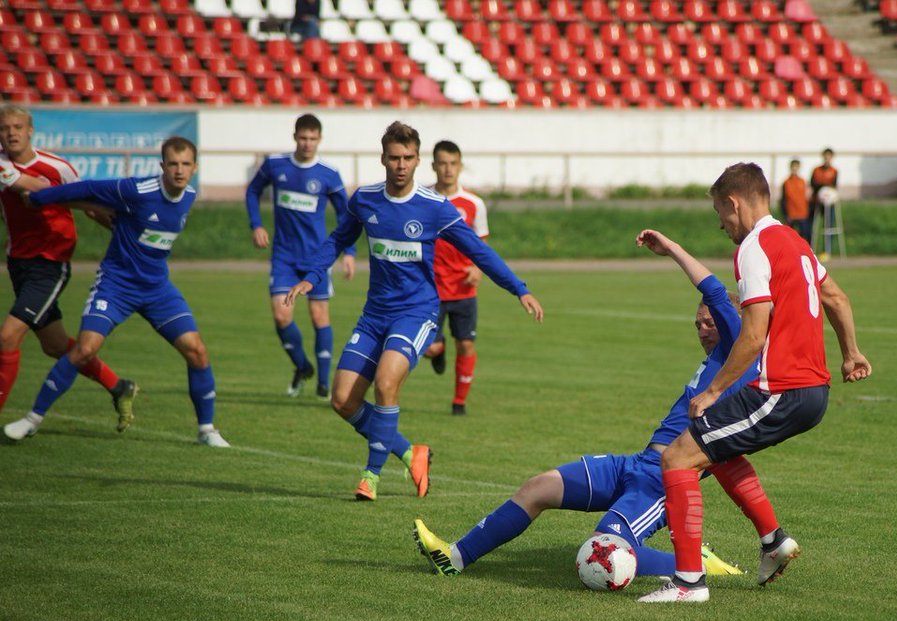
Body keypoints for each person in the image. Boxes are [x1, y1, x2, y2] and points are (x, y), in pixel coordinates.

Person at [412, 241, 775, 580]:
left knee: (602, 551)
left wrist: (673, 250)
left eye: (710, 322)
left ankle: (693, 563)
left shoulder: (736, 350)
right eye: (697, 323)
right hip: (636, 464)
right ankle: (454, 557)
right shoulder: (716, 361)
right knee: (538, 488)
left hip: (664, 482)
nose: (702, 329)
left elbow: (712, 289)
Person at [638, 162, 872, 604]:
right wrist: (851, 353)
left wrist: (711, 390)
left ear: (733, 202)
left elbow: (753, 333)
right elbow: (836, 297)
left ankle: (688, 583)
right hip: (813, 392)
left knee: (677, 457)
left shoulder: (754, 246)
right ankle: (773, 542)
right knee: (714, 449)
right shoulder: (795, 242)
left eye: (719, 213)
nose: (722, 224)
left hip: (782, 389)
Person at [283, 121, 543, 501]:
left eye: (408, 158)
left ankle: (370, 476)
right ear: (383, 159)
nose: (401, 165)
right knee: (342, 400)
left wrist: (518, 288)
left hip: (418, 312)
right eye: (394, 158)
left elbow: (479, 251)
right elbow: (338, 238)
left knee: (386, 384)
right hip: (374, 315)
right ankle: (409, 451)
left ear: (418, 160)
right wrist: (310, 275)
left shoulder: (435, 208)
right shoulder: (365, 200)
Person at [4, 137, 231, 447]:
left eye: (185, 164)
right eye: (173, 164)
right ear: (162, 166)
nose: (179, 170)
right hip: (117, 285)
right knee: (84, 349)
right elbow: (88, 189)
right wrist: (42, 198)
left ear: (195, 167)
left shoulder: (189, 196)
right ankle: (32, 420)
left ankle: (207, 430)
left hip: (157, 289)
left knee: (197, 351)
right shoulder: (137, 190)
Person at [0, 104, 137, 430]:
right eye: (5, 128)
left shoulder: (56, 166)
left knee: (7, 338)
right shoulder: (2, 164)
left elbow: (90, 206)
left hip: (50, 264)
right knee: (55, 345)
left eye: (18, 127)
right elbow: (33, 189)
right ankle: (120, 387)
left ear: (30, 130)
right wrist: (75, 198)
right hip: (18, 262)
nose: (12, 133)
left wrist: (124, 235)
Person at [246, 113, 355, 398]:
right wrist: (256, 224)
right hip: (284, 256)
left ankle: (323, 383)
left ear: (319, 139)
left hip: (317, 258)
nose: (307, 143)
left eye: (312, 139)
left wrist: (350, 252)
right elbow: (253, 190)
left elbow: (347, 215)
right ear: (295, 137)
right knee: (282, 316)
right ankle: (302, 365)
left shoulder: (328, 174)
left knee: (319, 316)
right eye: (303, 138)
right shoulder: (275, 165)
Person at [422, 140, 488, 415]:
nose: (448, 170)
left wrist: (477, 269)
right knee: (428, 348)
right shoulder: (422, 198)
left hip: (463, 288)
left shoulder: (474, 204)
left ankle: (459, 402)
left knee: (467, 343)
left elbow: (481, 245)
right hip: (430, 288)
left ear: (460, 166)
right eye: (442, 163)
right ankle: (438, 349)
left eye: (453, 164)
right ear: (433, 165)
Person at [807, 147, 838, 245]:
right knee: (812, 225)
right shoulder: (816, 170)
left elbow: (834, 185)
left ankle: (827, 249)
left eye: (829, 157)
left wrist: (826, 188)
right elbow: (813, 184)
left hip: (829, 203)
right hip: (817, 201)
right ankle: (810, 246)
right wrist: (822, 187)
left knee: (828, 225)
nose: (827, 159)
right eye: (825, 156)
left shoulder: (834, 171)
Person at [780, 158, 810, 243]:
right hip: (791, 214)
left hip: (802, 213)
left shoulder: (803, 181)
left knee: (804, 236)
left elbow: (806, 197)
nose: (794, 169)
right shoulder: (786, 182)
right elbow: (783, 199)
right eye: (793, 167)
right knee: (791, 238)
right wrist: (785, 214)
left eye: (796, 167)